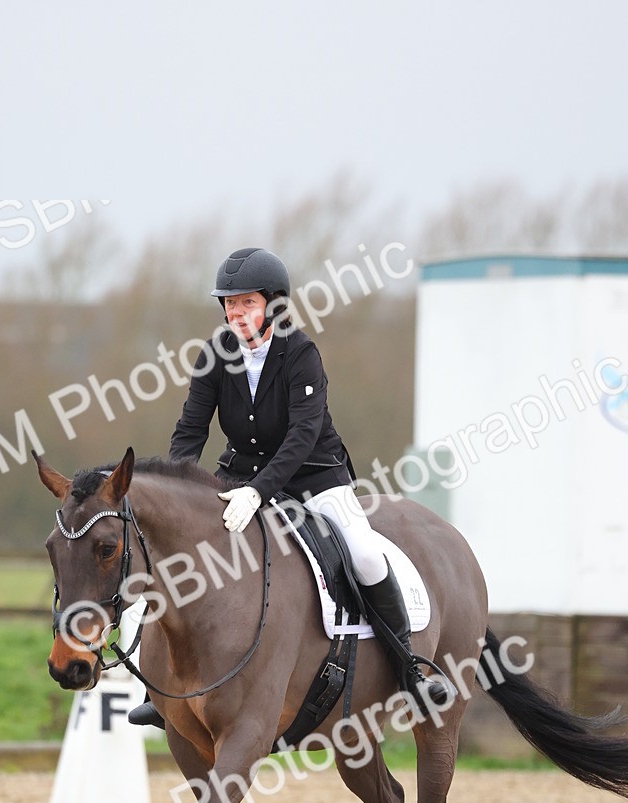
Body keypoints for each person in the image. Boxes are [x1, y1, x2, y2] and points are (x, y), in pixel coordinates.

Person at [129, 247, 448, 727]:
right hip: (238, 476)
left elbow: (302, 435)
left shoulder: (300, 354)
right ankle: (165, 689)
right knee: (181, 557)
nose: (235, 312)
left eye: (247, 303)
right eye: (229, 304)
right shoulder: (216, 354)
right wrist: (180, 491)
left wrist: (259, 491)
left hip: (314, 474)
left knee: (362, 553)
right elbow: (191, 428)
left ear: (273, 305)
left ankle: (409, 668)